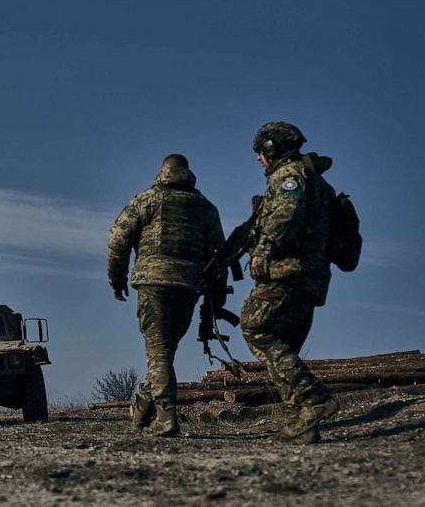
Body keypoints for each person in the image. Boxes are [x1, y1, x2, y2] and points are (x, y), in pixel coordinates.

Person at [107, 154, 226, 437]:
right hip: (188, 287)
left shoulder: (145, 200)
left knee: (159, 352)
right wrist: (216, 293)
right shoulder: (205, 207)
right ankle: (143, 408)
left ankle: (166, 416)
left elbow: (118, 240)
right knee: (165, 352)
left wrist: (117, 279)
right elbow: (219, 253)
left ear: (163, 172)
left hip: (153, 284)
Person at [241, 121, 340, 444]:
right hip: (312, 278)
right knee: (286, 347)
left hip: (287, 272)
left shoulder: (290, 176)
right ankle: (302, 422)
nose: (258, 159)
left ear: (272, 148)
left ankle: (314, 398)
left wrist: (265, 249)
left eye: (260, 151)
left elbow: (287, 213)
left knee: (255, 327)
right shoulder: (318, 182)